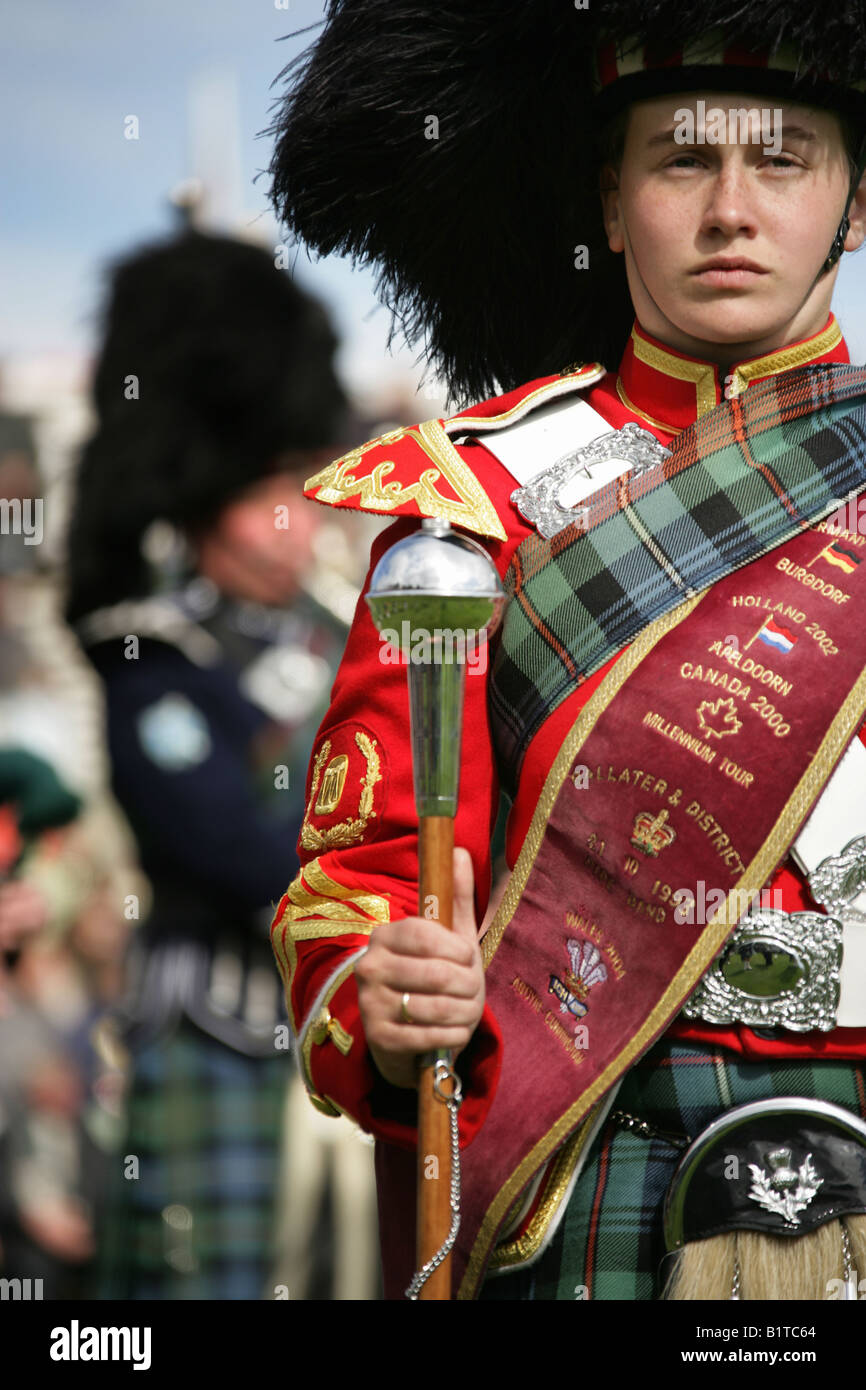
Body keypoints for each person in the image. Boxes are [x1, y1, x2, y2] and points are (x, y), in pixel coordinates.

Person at [266, 1, 866, 1299]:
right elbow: (354, 879)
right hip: (587, 1164)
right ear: (609, 198)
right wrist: (380, 984)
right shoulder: (475, 505)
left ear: (855, 199)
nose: (727, 209)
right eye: (677, 157)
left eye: (780, 157)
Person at [65, 229, 352, 1298]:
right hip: (216, 1026)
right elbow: (239, 848)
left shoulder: (335, 633)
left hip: (349, 1029)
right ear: (201, 504)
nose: (294, 521)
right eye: (263, 494)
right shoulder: (150, 652)